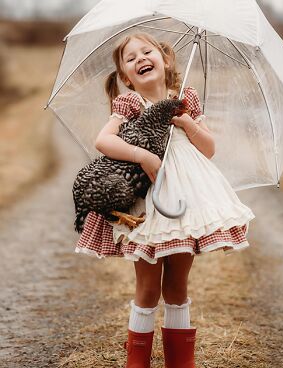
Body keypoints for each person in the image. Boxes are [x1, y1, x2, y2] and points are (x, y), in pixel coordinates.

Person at [75, 33, 254, 367]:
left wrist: (185, 120)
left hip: (186, 199)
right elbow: (103, 141)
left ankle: (180, 362)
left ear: (165, 59)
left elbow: (209, 149)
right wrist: (144, 156)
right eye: (131, 59)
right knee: (147, 286)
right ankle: (137, 362)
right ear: (127, 77)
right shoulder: (130, 104)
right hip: (148, 201)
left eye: (147, 51)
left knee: (177, 285)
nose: (140, 58)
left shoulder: (185, 97)